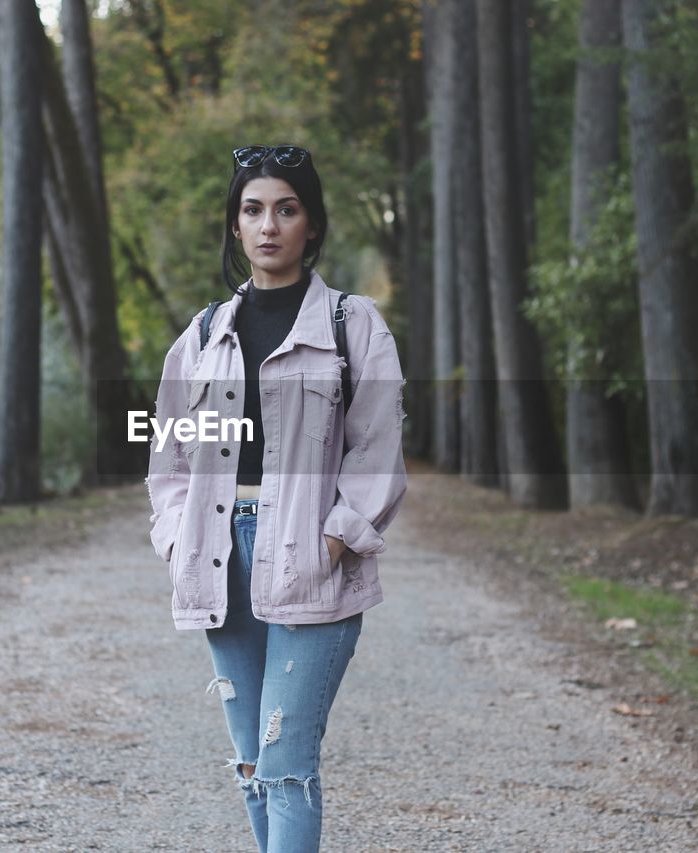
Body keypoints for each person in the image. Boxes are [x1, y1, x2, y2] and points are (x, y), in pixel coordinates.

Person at [144, 142, 408, 853]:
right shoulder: (202, 337)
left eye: (286, 210)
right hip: (221, 559)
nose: (269, 225)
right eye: (253, 210)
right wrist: (177, 539)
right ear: (235, 226)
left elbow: (378, 448)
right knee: (255, 765)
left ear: (312, 225)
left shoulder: (354, 326)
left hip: (311, 558)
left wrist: (335, 536)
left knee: (288, 766)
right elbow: (167, 457)